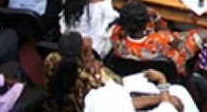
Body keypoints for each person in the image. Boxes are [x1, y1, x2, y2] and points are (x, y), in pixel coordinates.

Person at [45, 31, 196, 112]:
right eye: (83, 40)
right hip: (122, 96)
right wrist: (162, 93)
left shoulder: (51, 60)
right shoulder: (93, 87)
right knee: (178, 93)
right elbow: (123, 103)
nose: (88, 39)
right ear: (82, 57)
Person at [109, 1, 207, 76]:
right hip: (169, 66)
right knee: (205, 33)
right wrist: (156, 17)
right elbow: (167, 33)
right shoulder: (162, 38)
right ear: (145, 23)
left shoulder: (116, 36)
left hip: (136, 68)